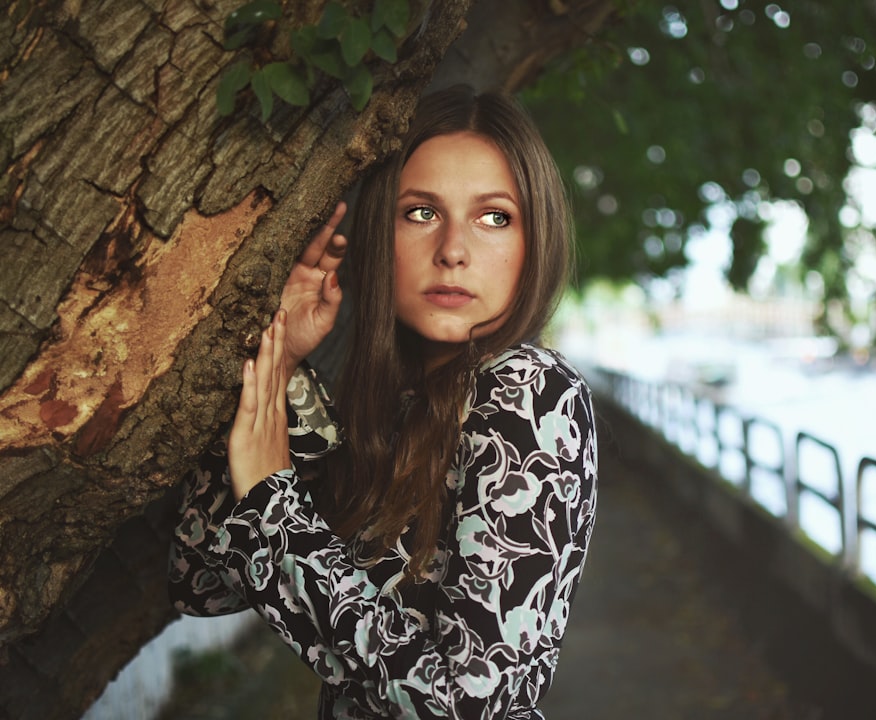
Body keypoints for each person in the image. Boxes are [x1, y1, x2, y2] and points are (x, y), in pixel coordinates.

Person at [168, 84, 598, 720]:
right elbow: (199, 582)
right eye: (421, 212)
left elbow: (464, 704)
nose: (453, 250)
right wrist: (279, 367)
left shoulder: (531, 391)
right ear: (378, 234)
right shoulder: (397, 408)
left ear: (535, 242)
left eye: (494, 217)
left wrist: (270, 498)